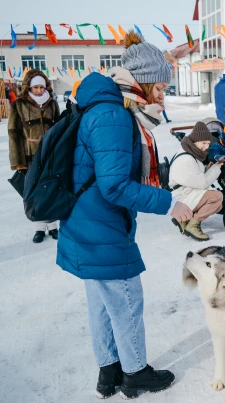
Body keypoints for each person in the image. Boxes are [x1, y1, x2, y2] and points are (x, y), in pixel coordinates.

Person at [56, 30, 193, 400]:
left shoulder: (107, 106)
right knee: (127, 301)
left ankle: (108, 372)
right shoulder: (114, 116)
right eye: (161, 87)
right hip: (100, 226)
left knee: (103, 303)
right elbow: (114, 186)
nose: (163, 96)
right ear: (144, 81)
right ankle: (135, 374)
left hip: (87, 223)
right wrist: (170, 203)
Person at [8, 70, 61, 243]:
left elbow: (59, 129)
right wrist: (18, 162)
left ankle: (53, 226)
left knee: (51, 190)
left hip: (49, 155)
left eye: (41, 87)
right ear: (29, 88)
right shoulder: (18, 105)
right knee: (34, 193)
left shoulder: (52, 104)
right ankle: (39, 227)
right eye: (35, 87)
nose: (39, 90)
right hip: (30, 155)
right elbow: (14, 134)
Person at [169, 121, 223, 241]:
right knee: (217, 197)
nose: (206, 147)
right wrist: (215, 169)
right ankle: (193, 225)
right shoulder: (187, 159)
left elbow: (193, 177)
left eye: (208, 144)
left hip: (185, 191)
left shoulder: (191, 153)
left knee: (218, 205)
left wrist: (206, 169)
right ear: (195, 140)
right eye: (204, 143)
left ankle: (184, 219)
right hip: (182, 196)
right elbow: (202, 183)